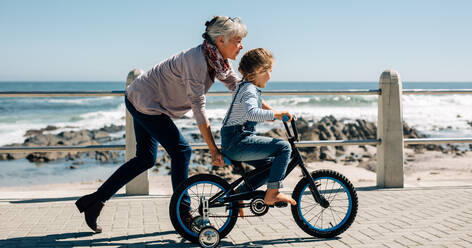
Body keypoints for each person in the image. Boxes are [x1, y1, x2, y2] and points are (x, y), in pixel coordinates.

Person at [75, 16, 247, 233]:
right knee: (182, 151)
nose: (241, 46)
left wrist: (269, 109)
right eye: (238, 41)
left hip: (143, 99)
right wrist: (213, 149)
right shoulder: (196, 61)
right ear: (221, 40)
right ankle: (183, 212)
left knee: (145, 159)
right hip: (145, 102)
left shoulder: (218, 61)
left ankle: (94, 202)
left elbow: (240, 89)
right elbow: (198, 108)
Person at [221, 48, 297, 217]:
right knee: (284, 147)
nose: (270, 75)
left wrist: (274, 113)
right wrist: (277, 115)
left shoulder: (246, 86)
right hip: (238, 141)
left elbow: (258, 104)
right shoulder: (249, 90)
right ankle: (273, 194)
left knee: (271, 166)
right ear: (258, 71)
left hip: (234, 139)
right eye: (269, 71)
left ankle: (238, 194)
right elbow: (251, 112)